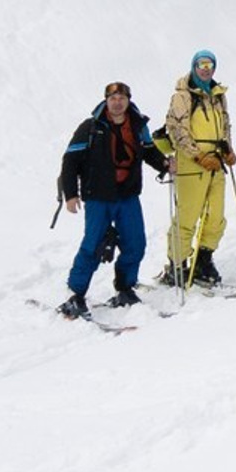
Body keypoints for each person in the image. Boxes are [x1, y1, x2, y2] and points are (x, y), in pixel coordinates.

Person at [56, 81, 168, 317]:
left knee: (135, 243)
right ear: (106, 101)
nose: (117, 103)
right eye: (113, 98)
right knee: (94, 245)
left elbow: (148, 151)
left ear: (128, 100)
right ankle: (75, 294)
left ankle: (125, 288)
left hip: (127, 195)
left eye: (122, 98)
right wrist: (71, 195)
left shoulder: (138, 125)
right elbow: (70, 161)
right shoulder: (90, 127)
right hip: (98, 196)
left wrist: (166, 163)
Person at [160, 50, 234, 290]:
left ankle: (203, 259)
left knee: (216, 217)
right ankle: (177, 265)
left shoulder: (218, 95)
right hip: (193, 165)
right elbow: (176, 129)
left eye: (210, 64)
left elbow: (225, 124)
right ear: (194, 66)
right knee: (188, 217)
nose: (205, 68)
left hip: (215, 163)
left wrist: (227, 150)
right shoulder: (182, 96)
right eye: (201, 64)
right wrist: (197, 155)